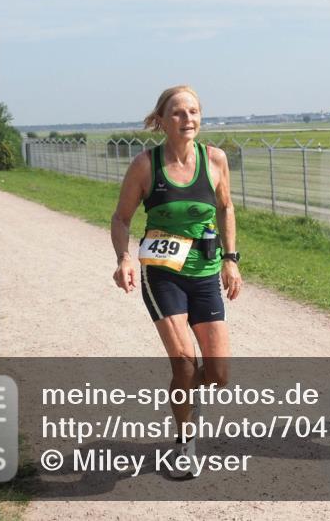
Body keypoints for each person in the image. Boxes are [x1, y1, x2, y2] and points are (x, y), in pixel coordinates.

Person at [110, 85, 242, 479]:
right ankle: (184, 443)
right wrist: (123, 258)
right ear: (163, 120)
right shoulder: (145, 165)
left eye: (194, 112)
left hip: (204, 272)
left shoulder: (215, 159)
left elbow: (226, 207)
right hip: (162, 273)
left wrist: (231, 261)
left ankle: (184, 395)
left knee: (218, 375)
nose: (188, 120)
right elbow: (121, 219)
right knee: (184, 364)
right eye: (179, 113)